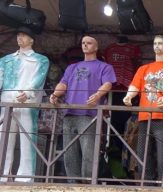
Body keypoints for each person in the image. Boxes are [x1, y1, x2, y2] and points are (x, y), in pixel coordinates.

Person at [49, 35, 116, 182]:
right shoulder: (72, 67)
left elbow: (108, 84)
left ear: (96, 47)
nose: (85, 45)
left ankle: (87, 181)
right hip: (70, 112)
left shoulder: (104, 67)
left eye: (89, 43)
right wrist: (55, 94)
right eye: (83, 43)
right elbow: (63, 84)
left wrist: (98, 95)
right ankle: (73, 181)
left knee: (88, 150)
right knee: (69, 151)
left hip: (89, 113)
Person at [123, 35, 163, 182]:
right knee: (143, 151)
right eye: (155, 43)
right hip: (144, 116)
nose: (157, 46)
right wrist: (129, 96)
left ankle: (162, 181)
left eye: (160, 43)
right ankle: (146, 181)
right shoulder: (144, 68)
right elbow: (135, 85)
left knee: (162, 151)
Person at [0, 26, 49, 182]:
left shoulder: (41, 60)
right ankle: (2, 173)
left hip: (28, 103)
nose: (19, 38)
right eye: (18, 35)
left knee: (28, 138)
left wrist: (28, 93)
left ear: (31, 40)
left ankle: (25, 176)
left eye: (23, 35)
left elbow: (38, 79)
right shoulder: (5, 60)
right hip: (6, 101)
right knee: (3, 138)